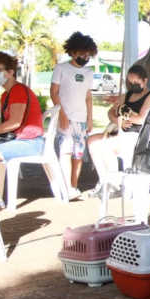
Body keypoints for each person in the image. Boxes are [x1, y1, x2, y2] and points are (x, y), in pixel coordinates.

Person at [0, 52, 44, 210]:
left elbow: (13, 123)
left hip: (30, 142)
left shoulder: (18, 90)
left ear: (10, 72)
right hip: (19, 140)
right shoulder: (6, 94)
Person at [85, 64, 150, 198]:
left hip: (138, 136)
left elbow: (143, 119)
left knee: (104, 145)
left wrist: (124, 117)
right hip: (121, 131)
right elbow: (111, 111)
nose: (133, 86)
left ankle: (115, 184)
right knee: (92, 141)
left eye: (136, 83)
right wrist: (117, 120)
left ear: (145, 81)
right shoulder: (128, 95)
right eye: (130, 83)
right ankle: (104, 180)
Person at [50, 31, 97, 199]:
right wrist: (61, 113)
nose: (85, 57)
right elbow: (54, 93)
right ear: (72, 51)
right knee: (65, 151)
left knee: (78, 155)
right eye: (82, 53)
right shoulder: (61, 68)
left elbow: (88, 97)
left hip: (81, 120)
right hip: (65, 118)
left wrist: (89, 119)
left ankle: (74, 186)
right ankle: (65, 187)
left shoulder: (89, 72)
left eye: (88, 54)